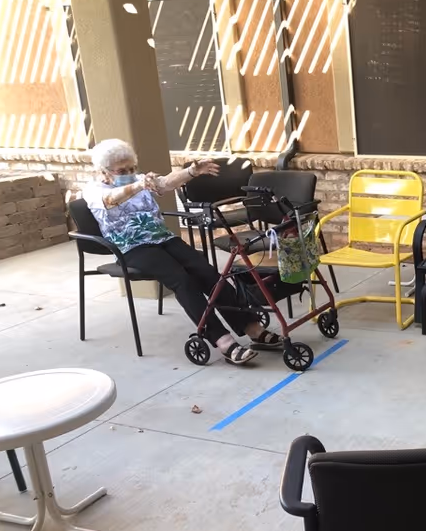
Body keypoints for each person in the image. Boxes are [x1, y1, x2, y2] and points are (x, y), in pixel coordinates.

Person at [83, 139, 281, 366]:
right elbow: (110, 200)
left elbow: (166, 183)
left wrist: (192, 171)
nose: (129, 173)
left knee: (208, 273)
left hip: (163, 238)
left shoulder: (140, 180)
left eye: (131, 169)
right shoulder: (93, 191)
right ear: (103, 172)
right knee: (182, 280)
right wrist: (138, 185)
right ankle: (221, 339)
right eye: (122, 171)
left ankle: (251, 328)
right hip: (132, 247)